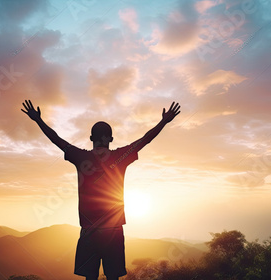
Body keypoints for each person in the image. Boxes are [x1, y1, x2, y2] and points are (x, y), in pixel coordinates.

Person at [21, 100, 181, 280]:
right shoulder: (122, 156)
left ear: (91, 139)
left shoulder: (80, 157)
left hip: (89, 230)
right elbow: (145, 139)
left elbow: (56, 139)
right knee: (113, 277)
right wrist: (164, 122)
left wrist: (38, 120)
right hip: (113, 230)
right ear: (110, 139)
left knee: (90, 277)